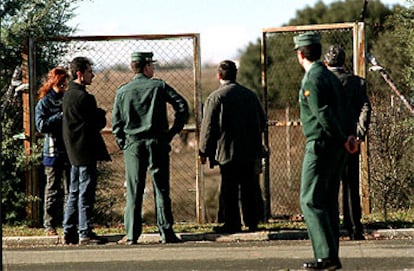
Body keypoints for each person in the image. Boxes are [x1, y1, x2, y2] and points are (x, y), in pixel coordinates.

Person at [293, 32, 358, 270]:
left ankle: (325, 255)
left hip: (321, 144)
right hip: (338, 144)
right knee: (328, 200)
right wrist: (349, 137)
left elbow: (322, 114)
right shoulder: (330, 76)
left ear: (300, 54)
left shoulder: (313, 78)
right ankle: (331, 255)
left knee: (309, 200)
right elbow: (343, 110)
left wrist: (342, 137)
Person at [112, 52, 189, 245]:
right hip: (157, 142)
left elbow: (116, 122)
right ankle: (166, 232)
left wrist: (124, 143)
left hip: (133, 144)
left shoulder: (122, 91)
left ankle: (131, 234)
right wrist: (173, 132)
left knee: (134, 189)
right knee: (161, 188)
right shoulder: (159, 86)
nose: (153, 68)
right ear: (146, 67)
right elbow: (181, 105)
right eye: (151, 65)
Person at [199, 60, 266, 234]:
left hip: (226, 151)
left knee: (229, 188)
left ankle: (232, 223)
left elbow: (208, 128)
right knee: (249, 187)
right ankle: (252, 221)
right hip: (250, 150)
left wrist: (203, 150)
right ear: (236, 74)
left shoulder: (216, 98)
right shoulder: (250, 95)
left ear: (219, 75)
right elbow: (263, 122)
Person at [324, 45, 371, 240]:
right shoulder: (357, 83)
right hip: (352, 139)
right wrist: (359, 134)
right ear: (344, 62)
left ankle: (331, 227)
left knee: (329, 185)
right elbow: (365, 108)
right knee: (351, 184)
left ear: (326, 63)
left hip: (330, 141)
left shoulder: (322, 83)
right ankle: (354, 227)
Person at [62, 56, 111, 245]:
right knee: (85, 192)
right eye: (90, 71)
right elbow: (95, 123)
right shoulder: (85, 97)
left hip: (73, 150)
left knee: (74, 191)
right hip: (86, 150)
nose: (93, 75)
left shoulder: (68, 95)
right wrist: (100, 114)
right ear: (80, 74)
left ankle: (69, 230)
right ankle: (85, 232)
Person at [35, 67, 70, 236]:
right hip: (52, 151)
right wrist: (60, 117)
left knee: (71, 189)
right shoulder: (44, 102)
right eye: (63, 83)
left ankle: (69, 223)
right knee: (53, 188)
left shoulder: (67, 99)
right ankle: (49, 224)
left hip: (69, 150)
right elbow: (41, 125)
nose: (65, 86)